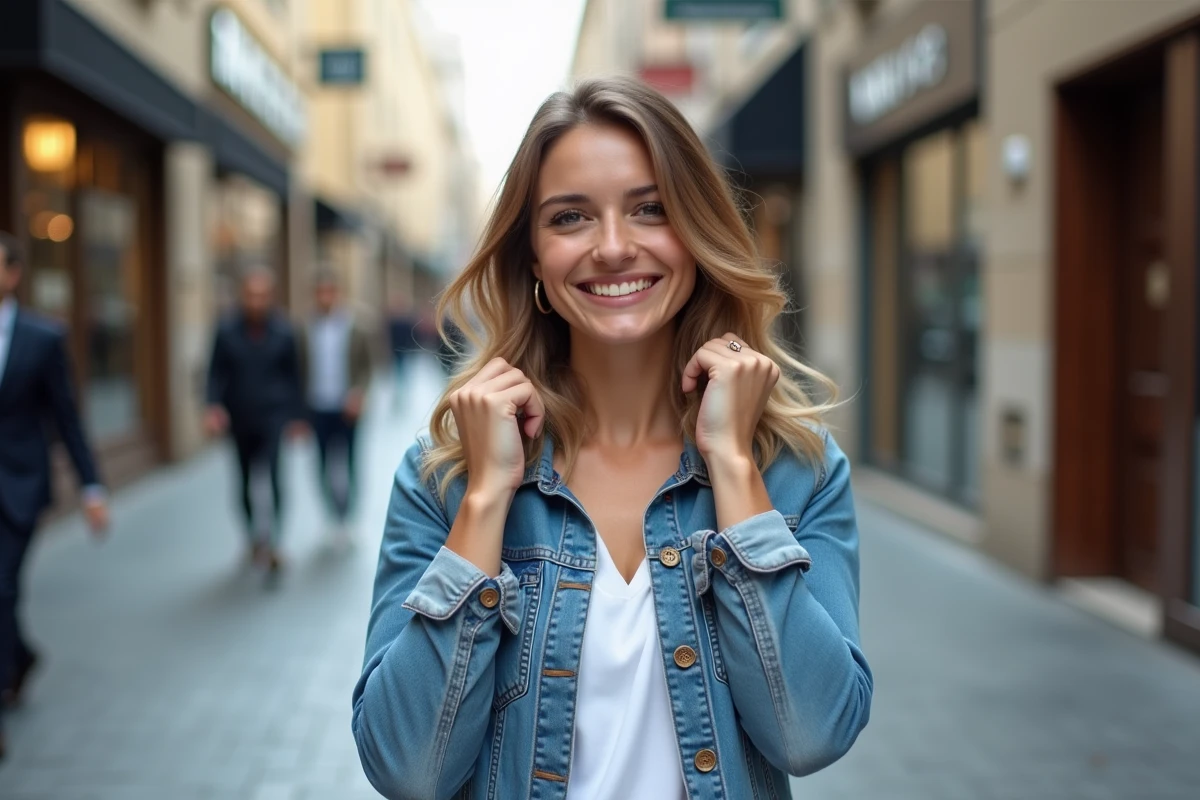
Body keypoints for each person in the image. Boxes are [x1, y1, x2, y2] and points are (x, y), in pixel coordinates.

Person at [351, 78, 872, 799]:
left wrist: (732, 466)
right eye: (570, 217)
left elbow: (811, 733)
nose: (615, 247)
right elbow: (407, 768)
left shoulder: (796, 470)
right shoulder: (443, 476)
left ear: (695, 232)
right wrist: (485, 503)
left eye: (650, 209)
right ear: (533, 256)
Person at [0, 231, 109, 761]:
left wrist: (91, 486)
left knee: (1, 588)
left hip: (19, 485)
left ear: (13, 273)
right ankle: (18, 658)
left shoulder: (42, 338)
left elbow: (66, 417)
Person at [204, 265, 304, 577]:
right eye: (251, 294)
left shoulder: (284, 331)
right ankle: (252, 539)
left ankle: (274, 542)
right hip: (239, 417)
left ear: (271, 296)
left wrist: (297, 417)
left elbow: (295, 377)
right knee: (244, 482)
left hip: (273, 416)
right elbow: (215, 372)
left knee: (275, 478)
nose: (256, 301)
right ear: (242, 295)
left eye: (262, 295)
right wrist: (212, 407)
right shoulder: (226, 330)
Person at [296, 270, 372, 541]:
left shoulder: (356, 326)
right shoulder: (304, 329)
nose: (325, 297)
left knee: (350, 463)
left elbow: (367, 367)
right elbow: (298, 370)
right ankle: (330, 516)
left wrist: (359, 394)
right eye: (321, 292)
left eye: (330, 292)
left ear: (338, 293)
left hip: (347, 408)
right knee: (321, 465)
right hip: (317, 408)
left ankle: (348, 517)